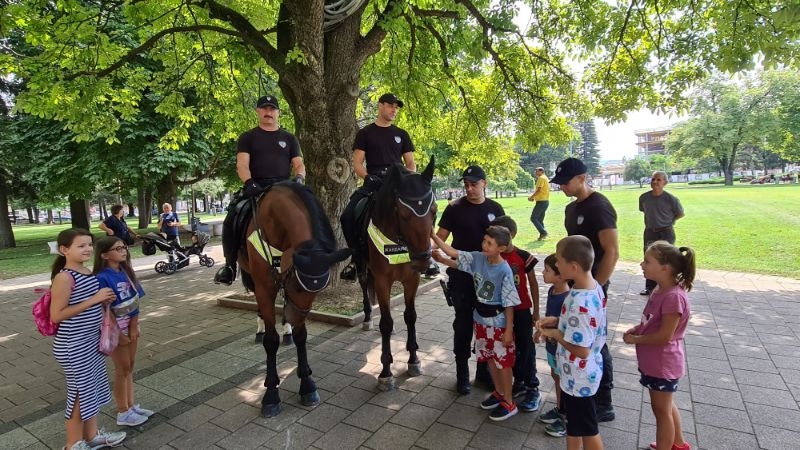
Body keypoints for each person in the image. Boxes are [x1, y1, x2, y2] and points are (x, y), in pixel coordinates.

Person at [551, 157, 618, 422]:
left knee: (595, 342)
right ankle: (577, 390)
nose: (563, 187)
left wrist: (595, 290)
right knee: (574, 332)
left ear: (582, 178)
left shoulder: (600, 206)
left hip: (593, 286)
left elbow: (612, 252)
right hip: (577, 285)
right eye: (560, 183)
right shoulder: (571, 209)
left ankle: (604, 402)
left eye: (566, 182)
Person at [214, 94, 306, 285]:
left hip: (284, 188)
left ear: (278, 112)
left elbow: (299, 164)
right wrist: (249, 182)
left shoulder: (289, 138)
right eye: (264, 108)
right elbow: (242, 164)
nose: (268, 112)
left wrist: (299, 178)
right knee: (233, 216)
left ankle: (311, 259)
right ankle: (229, 266)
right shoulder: (247, 137)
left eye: (272, 109)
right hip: (256, 187)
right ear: (258, 111)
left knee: (310, 214)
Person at [431, 226, 521, 421]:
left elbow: (509, 304)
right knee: (489, 358)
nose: (484, 245)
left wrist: (508, 330)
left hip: (498, 324)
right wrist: (438, 248)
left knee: (503, 363)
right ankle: (499, 393)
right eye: (484, 241)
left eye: (490, 243)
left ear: (501, 248)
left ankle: (509, 401)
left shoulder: (504, 270)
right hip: (480, 321)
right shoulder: (480, 258)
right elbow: (455, 255)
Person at [49, 228, 127, 450]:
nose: (87, 249)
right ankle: (73, 444)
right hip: (73, 346)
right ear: (64, 250)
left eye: (89, 245)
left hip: (91, 342)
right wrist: (95, 299)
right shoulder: (64, 277)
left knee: (92, 389)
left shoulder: (86, 272)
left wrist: (103, 302)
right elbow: (57, 315)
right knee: (79, 393)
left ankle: (91, 436)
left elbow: (89, 304)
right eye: (80, 245)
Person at [435, 164, 505, 395]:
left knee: (487, 325)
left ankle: (484, 374)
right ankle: (462, 375)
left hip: (488, 280)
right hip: (462, 278)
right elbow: (440, 237)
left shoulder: (496, 208)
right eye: (466, 184)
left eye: (473, 184)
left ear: (485, 183)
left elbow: (505, 243)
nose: (469, 188)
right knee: (463, 324)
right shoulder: (454, 208)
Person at [536, 235, 606, 450]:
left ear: (573, 266)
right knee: (575, 425)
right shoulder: (591, 286)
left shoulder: (580, 303)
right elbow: (584, 325)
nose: (556, 264)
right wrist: (558, 320)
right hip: (578, 374)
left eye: (558, 260)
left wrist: (556, 333)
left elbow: (582, 350)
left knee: (588, 429)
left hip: (580, 376)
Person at [624, 241, 695, 450]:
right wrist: (638, 329)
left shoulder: (673, 297)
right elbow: (652, 321)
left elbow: (665, 336)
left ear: (665, 268)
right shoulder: (660, 289)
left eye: (647, 261)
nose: (642, 264)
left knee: (661, 411)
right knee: (666, 406)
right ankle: (678, 444)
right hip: (655, 363)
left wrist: (636, 340)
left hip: (663, 364)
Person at [339, 93, 416, 280]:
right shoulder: (365, 133)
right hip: (374, 183)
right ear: (380, 106)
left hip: (397, 183)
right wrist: (367, 177)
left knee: (420, 212)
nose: (394, 110)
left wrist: (406, 179)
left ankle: (424, 257)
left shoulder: (401, 134)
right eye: (391, 106)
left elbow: (411, 164)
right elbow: (357, 163)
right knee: (347, 216)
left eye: (396, 107)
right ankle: (356, 259)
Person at [94, 237, 154, 427]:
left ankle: (130, 405)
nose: (123, 251)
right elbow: (105, 308)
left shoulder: (126, 271)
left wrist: (134, 325)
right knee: (122, 369)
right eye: (117, 248)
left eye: (124, 247)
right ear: (104, 255)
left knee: (130, 366)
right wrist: (119, 334)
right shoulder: (101, 277)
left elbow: (136, 299)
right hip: (115, 328)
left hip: (130, 325)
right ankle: (122, 411)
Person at [489, 215, 542, 412]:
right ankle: (517, 383)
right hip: (501, 312)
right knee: (507, 348)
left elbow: (534, 284)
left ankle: (532, 387)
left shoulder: (523, 256)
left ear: (510, 235)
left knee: (526, 348)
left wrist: (536, 310)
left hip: (521, 311)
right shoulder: (493, 257)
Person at [535, 253, 570, 438]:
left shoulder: (568, 297)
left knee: (564, 380)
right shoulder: (552, 291)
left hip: (562, 348)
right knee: (556, 376)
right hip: (551, 346)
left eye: (547, 270)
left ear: (561, 275)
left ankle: (567, 418)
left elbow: (564, 324)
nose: (543, 273)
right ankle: (560, 408)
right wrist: (540, 331)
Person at [638, 171, 685, 296]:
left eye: (658, 180)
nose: (655, 182)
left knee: (667, 260)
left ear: (665, 182)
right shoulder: (644, 197)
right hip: (650, 232)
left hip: (666, 232)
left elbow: (680, 213)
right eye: (653, 179)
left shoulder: (671, 199)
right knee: (649, 259)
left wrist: (670, 221)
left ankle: (667, 286)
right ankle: (649, 287)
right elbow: (644, 211)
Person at [528, 166, 551, 240]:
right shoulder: (546, 178)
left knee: (533, 218)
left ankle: (543, 232)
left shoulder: (541, 178)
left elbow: (539, 190)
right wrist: (534, 198)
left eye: (537, 171)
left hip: (541, 202)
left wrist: (531, 197)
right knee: (540, 219)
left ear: (541, 171)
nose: (535, 172)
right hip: (545, 201)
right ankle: (543, 234)